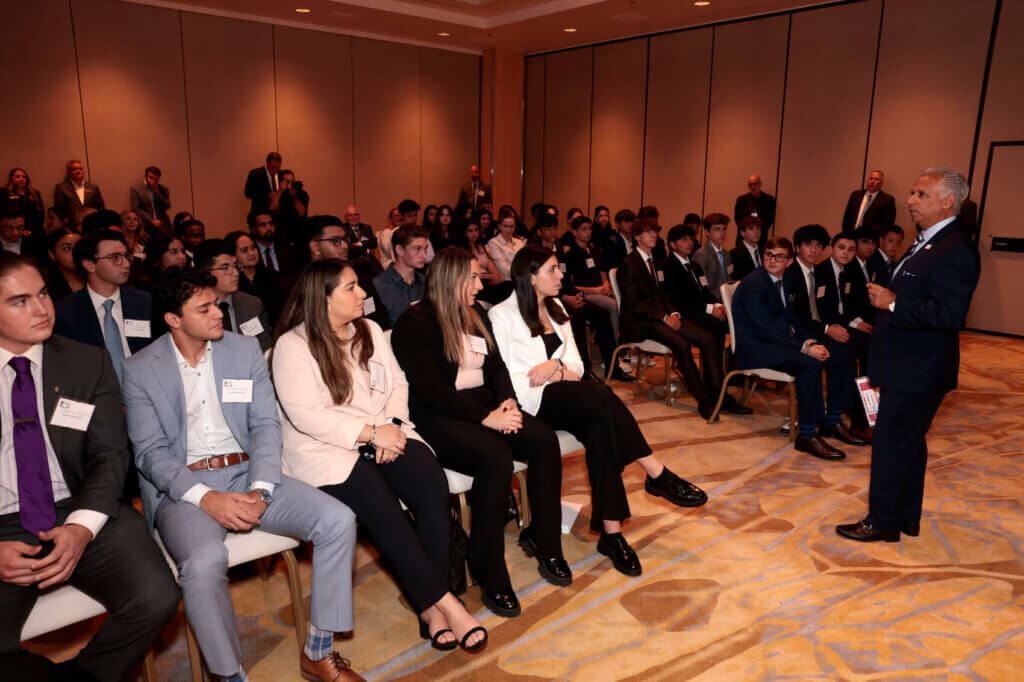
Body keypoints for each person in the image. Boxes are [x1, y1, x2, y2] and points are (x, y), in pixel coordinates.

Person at [124, 268, 365, 682]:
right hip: (185, 489)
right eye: (204, 309)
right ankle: (229, 675)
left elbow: (265, 425)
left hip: (248, 471)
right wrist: (206, 498)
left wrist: (261, 488)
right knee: (203, 562)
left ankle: (318, 651)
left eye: (216, 304)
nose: (218, 313)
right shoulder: (140, 368)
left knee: (337, 519)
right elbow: (151, 454)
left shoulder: (242, 349)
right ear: (173, 319)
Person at [271, 260, 487, 652]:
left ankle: (430, 606)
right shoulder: (292, 346)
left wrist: (391, 426)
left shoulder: (369, 330)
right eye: (351, 287)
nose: (363, 294)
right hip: (328, 449)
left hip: (386, 431)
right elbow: (307, 416)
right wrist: (371, 435)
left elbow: (397, 383)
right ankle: (445, 604)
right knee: (381, 504)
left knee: (430, 482)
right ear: (325, 299)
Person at [0, 252, 178, 682]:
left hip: (82, 505)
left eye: (43, 294)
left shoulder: (87, 362)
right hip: (3, 527)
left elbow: (110, 456)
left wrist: (81, 528)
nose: (42, 309)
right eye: (20, 301)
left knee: (156, 597)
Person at [489, 247, 708, 576]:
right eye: (552, 270)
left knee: (601, 428)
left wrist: (555, 367)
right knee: (600, 395)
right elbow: (511, 379)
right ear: (531, 277)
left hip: (567, 395)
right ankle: (656, 473)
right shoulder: (502, 315)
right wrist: (556, 372)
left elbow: (577, 365)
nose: (560, 275)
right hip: (530, 403)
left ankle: (612, 533)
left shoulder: (557, 308)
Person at [391, 248, 568, 618]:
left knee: (542, 440)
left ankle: (546, 542)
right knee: (495, 458)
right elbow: (431, 391)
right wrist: (486, 418)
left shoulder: (476, 315)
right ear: (450, 279)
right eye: (472, 277)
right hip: (440, 418)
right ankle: (489, 570)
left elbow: (497, 368)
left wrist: (508, 403)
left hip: (486, 408)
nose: (479, 284)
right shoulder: (414, 322)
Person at [836, 167, 980, 542]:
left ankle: (882, 521)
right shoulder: (930, 240)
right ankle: (904, 516)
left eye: (921, 194)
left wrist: (893, 302)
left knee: (891, 442)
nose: (910, 200)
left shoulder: (956, 247)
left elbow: (950, 314)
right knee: (908, 441)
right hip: (908, 363)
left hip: (918, 367)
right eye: (913, 192)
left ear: (948, 201)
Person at [731, 237, 848, 459]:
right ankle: (806, 435)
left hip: (776, 341)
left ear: (789, 261)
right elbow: (765, 329)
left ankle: (831, 421)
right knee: (810, 364)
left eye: (779, 256)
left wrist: (809, 341)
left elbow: (792, 318)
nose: (772, 260)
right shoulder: (754, 284)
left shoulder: (783, 279)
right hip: (756, 347)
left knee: (839, 355)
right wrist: (804, 349)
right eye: (769, 255)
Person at [616, 218, 717, 419]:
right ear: (636, 237)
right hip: (639, 322)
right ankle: (703, 399)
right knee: (681, 344)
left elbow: (664, 294)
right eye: (648, 232)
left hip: (657, 317)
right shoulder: (628, 264)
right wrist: (663, 317)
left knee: (708, 339)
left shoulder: (655, 262)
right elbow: (634, 304)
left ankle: (716, 392)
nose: (654, 235)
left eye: (655, 231)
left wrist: (674, 313)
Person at [784, 225, 867, 446]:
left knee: (848, 353)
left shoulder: (813, 272)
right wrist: (827, 329)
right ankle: (825, 422)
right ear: (797, 247)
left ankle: (835, 418)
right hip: (797, 333)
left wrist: (831, 327)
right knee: (838, 355)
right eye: (808, 245)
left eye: (817, 246)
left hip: (814, 327)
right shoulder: (791, 274)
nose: (813, 250)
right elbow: (794, 317)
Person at [662, 224, 752, 415]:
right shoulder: (668, 266)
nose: (689, 243)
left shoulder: (694, 266)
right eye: (684, 240)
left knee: (725, 327)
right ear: (672, 244)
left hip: (697, 311)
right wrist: (710, 309)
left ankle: (718, 388)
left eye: (691, 239)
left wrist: (718, 305)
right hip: (682, 314)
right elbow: (679, 300)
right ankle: (717, 393)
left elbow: (705, 291)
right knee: (713, 335)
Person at [53, 229, 154, 383]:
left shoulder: (145, 303)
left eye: (127, 256)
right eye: (115, 258)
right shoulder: (65, 312)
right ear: (89, 264)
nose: (126, 264)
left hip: (145, 387)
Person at [307, 218, 390, 331]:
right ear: (316, 248)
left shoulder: (361, 278)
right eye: (336, 241)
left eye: (345, 239)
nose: (345, 246)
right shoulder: (302, 289)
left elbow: (380, 318)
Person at [814, 232, 873, 382]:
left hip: (843, 321)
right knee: (847, 354)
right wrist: (851, 324)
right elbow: (823, 310)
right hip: (825, 325)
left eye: (851, 249)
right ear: (831, 248)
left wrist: (858, 322)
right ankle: (852, 392)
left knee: (872, 343)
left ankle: (864, 391)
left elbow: (849, 304)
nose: (846, 253)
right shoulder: (819, 271)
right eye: (841, 247)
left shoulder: (848, 271)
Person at [195, 239, 272, 351]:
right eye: (225, 268)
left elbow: (264, 349)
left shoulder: (252, 305)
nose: (235, 273)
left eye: (235, 266)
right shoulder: (193, 310)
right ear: (205, 272)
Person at [373, 225, 428, 326]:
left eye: (425, 249)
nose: (424, 255)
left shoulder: (428, 283)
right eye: (417, 249)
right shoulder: (377, 286)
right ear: (399, 250)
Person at [227, 230, 280, 320]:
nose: (251, 253)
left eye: (253, 248)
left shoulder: (271, 276)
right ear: (232, 255)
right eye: (244, 250)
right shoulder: (232, 281)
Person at [458, 220, 511, 305]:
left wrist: (498, 276)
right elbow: (469, 273)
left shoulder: (480, 246)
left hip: (488, 279)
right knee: (498, 292)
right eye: (470, 231)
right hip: (476, 280)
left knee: (509, 285)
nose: (474, 233)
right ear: (465, 233)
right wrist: (490, 276)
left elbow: (489, 263)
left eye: (476, 230)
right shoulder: (463, 250)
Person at [691, 213, 733, 302]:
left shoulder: (726, 254)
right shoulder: (701, 255)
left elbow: (729, 278)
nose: (722, 233)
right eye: (717, 229)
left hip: (728, 298)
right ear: (707, 232)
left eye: (724, 229)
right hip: (712, 301)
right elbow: (701, 287)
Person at [841, 170, 896, 235]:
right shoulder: (855, 195)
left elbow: (887, 223)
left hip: (871, 237)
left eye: (876, 179)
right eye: (871, 178)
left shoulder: (887, 200)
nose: (872, 181)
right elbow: (847, 217)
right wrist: (845, 233)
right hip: (851, 234)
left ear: (881, 183)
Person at [249, 211, 298, 276]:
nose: (268, 228)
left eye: (271, 224)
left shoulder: (287, 250)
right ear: (253, 230)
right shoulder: (250, 253)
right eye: (263, 225)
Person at [129, 166, 171, 237]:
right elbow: (136, 208)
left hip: (162, 224)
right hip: (145, 225)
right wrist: (152, 220)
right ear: (145, 177)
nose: (153, 181)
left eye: (156, 179)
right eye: (151, 177)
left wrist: (157, 192)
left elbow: (167, 206)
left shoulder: (163, 189)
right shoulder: (136, 189)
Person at [44, 228, 84, 302]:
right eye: (67, 248)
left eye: (79, 246)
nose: (75, 252)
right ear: (52, 254)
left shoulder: (97, 277)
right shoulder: (45, 287)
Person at [733, 174, 775, 245]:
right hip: (743, 237)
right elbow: (738, 219)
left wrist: (757, 230)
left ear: (760, 184)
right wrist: (747, 230)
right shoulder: (741, 200)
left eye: (755, 184)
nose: (753, 187)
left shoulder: (769, 200)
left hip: (761, 238)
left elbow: (769, 220)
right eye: (750, 185)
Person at [3, 168, 44, 235]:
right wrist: (21, 231)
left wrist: (31, 230)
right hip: (14, 231)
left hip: (35, 231)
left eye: (23, 177)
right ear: (11, 179)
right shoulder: (5, 193)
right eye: (17, 177)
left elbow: (41, 214)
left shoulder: (34, 194)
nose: (21, 179)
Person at [275, 169, 310, 250]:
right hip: (282, 236)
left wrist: (294, 196)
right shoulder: (278, 194)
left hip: (299, 235)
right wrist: (280, 190)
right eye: (287, 182)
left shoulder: (302, 194)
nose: (290, 184)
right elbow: (272, 207)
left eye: (292, 181)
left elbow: (301, 212)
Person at [485, 213, 525, 281]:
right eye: (505, 226)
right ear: (499, 226)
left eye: (511, 226)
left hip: (520, 278)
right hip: (505, 280)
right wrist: (520, 273)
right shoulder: (493, 243)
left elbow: (524, 262)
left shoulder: (519, 242)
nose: (509, 229)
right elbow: (501, 267)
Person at [243, 151, 283, 215]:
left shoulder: (281, 174)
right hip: (261, 213)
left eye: (277, 167)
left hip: (278, 215)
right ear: (267, 163)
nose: (275, 170)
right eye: (273, 167)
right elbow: (248, 193)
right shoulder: (255, 174)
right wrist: (267, 195)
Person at [730, 216, 763, 281]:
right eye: (751, 228)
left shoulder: (765, 251)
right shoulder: (734, 254)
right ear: (742, 233)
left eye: (758, 228)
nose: (756, 231)